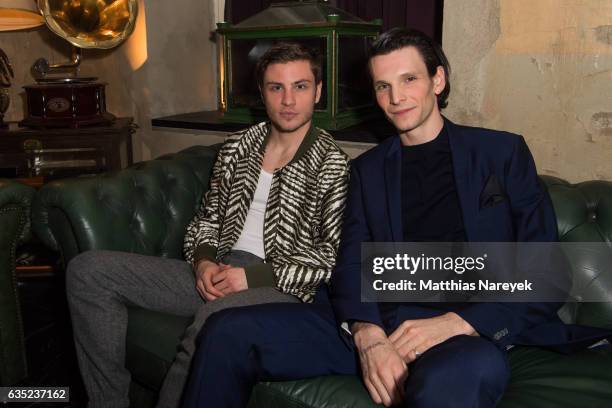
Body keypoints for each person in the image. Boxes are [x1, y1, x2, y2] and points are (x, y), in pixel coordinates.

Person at [182, 28, 611, 408]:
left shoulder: (500, 153)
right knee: (225, 331)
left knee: (447, 386)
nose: (396, 97)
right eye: (383, 86)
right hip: (376, 322)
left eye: (409, 80)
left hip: (462, 334)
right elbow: (349, 264)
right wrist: (367, 334)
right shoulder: (367, 171)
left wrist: (459, 322)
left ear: (437, 80)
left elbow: (548, 272)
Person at [65, 42, 350, 408]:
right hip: (219, 267)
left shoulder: (332, 165)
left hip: (278, 285)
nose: (289, 100)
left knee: (216, 318)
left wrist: (252, 278)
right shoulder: (237, 147)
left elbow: (329, 258)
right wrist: (202, 262)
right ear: (262, 93)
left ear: (318, 91)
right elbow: (208, 219)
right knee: (88, 271)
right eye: (276, 87)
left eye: (301, 86)